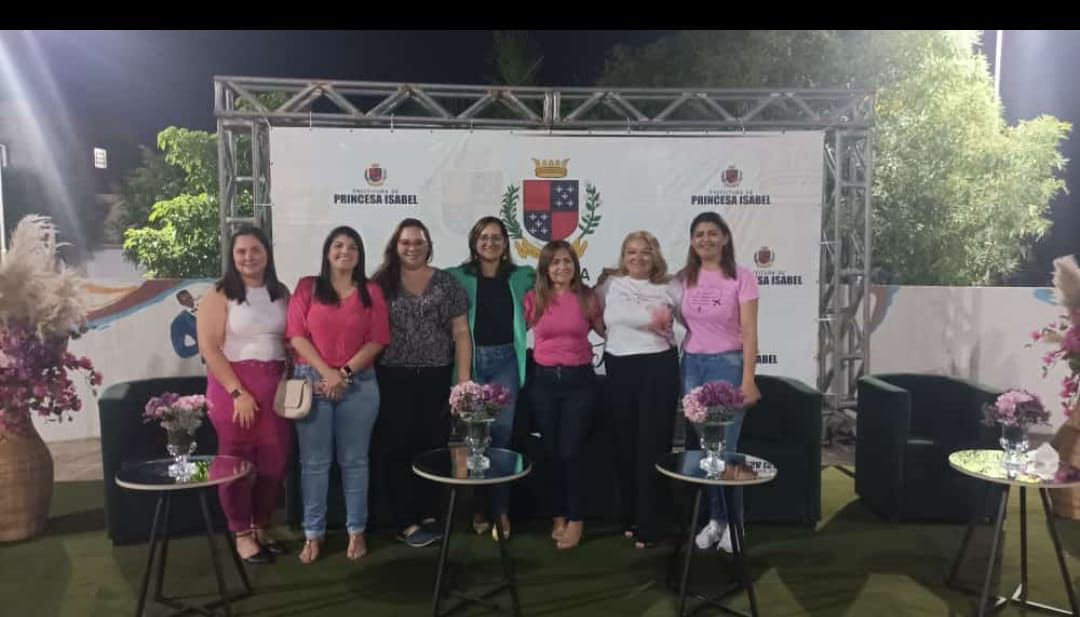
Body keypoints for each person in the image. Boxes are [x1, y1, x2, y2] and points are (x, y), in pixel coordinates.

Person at [287, 226, 389, 563]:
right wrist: (328, 373)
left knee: (355, 461)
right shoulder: (307, 287)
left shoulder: (371, 291)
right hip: (312, 382)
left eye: (352, 247)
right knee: (314, 464)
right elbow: (296, 335)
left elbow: (377, 339)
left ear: (360, 255)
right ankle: (312, 534)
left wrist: (343, 374)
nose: (345, 252)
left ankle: (356, 531)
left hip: (359, 386)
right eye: (338, 245)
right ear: (328, 251)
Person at [372, 218, 471, 548]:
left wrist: (463, 381)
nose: (412, 247)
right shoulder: (380, 284)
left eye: (418, 242)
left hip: (436, 377)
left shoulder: (446, 283)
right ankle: (405, 522)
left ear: (428, 245)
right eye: (405, 242)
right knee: (396, 448)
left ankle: (429, 514)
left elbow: (461, 332)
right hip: (393, 377)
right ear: (395, 246)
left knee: (432, 447)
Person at [197, 226, 291, 564]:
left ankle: (260, 525)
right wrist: (238, 392)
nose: (249, 257)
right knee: (234, 462)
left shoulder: (281, 291)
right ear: (232, 256)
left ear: (267, 253)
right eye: (241, 251)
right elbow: (209, 348)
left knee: (275, 462)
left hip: (275, 386)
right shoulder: (218, 294)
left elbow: (291, 338)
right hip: (233, 387)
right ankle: (241, 533)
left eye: (255, 250)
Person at [446, 216, 535, 541]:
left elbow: (559, 274)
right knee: (474, 439)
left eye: (497, 237)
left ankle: (501, 511)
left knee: (501, 437)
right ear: (474, 242)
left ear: (505, 244)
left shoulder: (522, 276)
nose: (490, 243)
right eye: (484, 237)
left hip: (505, 363)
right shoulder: (457, 276)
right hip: (471, 362)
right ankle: (478, 508)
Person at [677, 212, 761, 553]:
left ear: (725, 238)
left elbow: (750, 333)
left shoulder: (742, 277)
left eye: (713, 233)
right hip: (691, 367)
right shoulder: (683, 278)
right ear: (692, 241)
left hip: (727, 365)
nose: (706, 239)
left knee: (726, 449)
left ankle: (735, 526)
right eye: (699, 234)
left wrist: (748, 379)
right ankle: (716, 520)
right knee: (706, 450)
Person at [595, 231, 681, 549]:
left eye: (645, 252)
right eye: (631, 252)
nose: (638, 257)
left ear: (655, 256)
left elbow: (694, 320)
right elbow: (599, 318)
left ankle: (651, 523)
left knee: (652, 445)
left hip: (659, 366)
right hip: (620, 367)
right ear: (623, 256)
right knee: (624, 443)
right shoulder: (609, 285)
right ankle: (629, 516)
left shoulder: (671, 286)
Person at [524, 240, 604, 550]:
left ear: (575, 265)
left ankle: (576, 517)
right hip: (543, 382)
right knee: (551, 451)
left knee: (572, 450)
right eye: (555, 262)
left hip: (579, 382)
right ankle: (557, 513)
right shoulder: (535, 298)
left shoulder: (587, 298)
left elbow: (607, 330)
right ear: (545, 268)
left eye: (567, 261)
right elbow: (515, 332)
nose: (562, 267)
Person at [170, 289, 199, 358]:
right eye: (185, 300)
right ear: (181, 303)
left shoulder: (207, 306)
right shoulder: (179, 322)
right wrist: (201, 347)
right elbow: (181, 351)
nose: (189, 301)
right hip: (212, 356)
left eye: (189, 298)